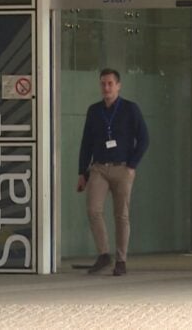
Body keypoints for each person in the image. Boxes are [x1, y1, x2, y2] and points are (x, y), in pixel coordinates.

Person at [77, 68, 149, 276]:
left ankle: (121, 260)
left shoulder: (130, 109)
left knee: (121, 215)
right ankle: (103, 254)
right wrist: (82, 172)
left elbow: (144, 138)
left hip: (122, 167)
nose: (106, 88)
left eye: (110, 84)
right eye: (103, 83)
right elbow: (86, 143)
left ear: (118, 86)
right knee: (93, 209)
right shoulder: (94, 111)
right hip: (99, 167)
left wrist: (132, 166)